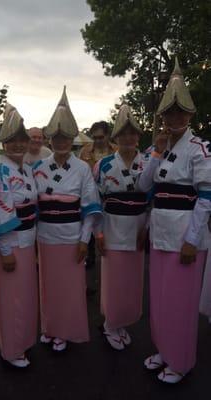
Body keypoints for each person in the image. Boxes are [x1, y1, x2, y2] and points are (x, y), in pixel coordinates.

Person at [138, 58, 211, 383]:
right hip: (161, 233)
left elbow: (207, 199)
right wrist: (156, 151)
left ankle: (181, 361)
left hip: (185, 237)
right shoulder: (162, 149)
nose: (175, 118)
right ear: (163, 117)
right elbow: (143, 186)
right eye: (169, 113)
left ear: (190, 115)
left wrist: (192, 241)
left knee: (181, 304)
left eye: (181, 113)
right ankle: (164, 350)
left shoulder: (200, 149)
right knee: (161, 299)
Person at [33, 86, 102, 351]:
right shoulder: (38, 167)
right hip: (46, 237)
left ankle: (65, 330)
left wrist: (85, 240)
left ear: (72, 138)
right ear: (50, 139)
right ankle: (49, 327)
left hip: (73, 237)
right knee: (48, 287)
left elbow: (90, 206)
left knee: (71, 288)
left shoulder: (82, 168)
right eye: (56, 137)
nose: (61, 141)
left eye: (65, 137)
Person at [0, 104, 38, 368]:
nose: (18, 145)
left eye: (22, 140)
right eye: (12, 141)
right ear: (3, 144)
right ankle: (11, 348)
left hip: (28, 240)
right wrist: (5, 251)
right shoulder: (0, 172)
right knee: (11, 299)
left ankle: (23, 340)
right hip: (11, 243)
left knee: (25, 295)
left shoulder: (27, 169)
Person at [94, 104, 148, 350]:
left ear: (138, 136)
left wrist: (147, 229)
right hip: (112, 228)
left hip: (138, 229)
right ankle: (110, 324)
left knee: (132, 281)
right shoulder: (104, 164)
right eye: (123, 133)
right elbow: (95, 201)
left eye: (133, 133)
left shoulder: (148, 163)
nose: (128, 137)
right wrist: (98, 232)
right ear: (116, 137)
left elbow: (152, 201)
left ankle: (123, 321)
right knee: (113, 280)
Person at [80, 122, 116, 276]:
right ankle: (89, 259)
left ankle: (110, 259)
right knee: (89, 225)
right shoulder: (85, 151)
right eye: (95, 137)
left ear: (108, 135)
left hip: (110, 196)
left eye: (101, 137)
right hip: (90, 194)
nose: (98, 140)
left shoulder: (117, 150)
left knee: (107, 228)